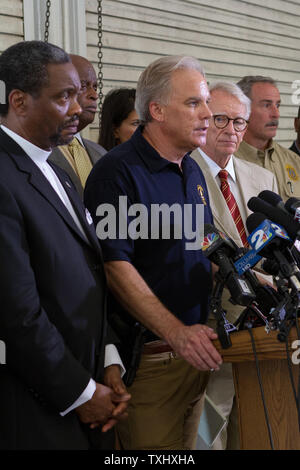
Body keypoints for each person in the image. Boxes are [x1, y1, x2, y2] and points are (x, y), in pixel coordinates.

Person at [84, 55, 223, 450]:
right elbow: (114, 266)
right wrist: (175, 332)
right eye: (194, 103)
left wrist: (249, 273)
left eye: (207, 102)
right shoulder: (117, 173)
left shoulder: (191, 168)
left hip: (196, 354)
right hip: (152, 360)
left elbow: (204, 241)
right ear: (157, 110)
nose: (208, 114)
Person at [0, 40, 130, 450]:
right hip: (37, 407)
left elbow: (89, 271)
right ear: (18, 100)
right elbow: (18, 314)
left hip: (92, 384)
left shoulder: (57, 164)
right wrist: (81, 392)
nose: (79, 108)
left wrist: (108, 358)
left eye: (79, 93)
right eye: (64, 97)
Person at [191, 81, 278, 450]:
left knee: (260, 423)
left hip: (262, 324)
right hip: (212, 323)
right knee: (209, 426)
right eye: (221, 119)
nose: (231, 131)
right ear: (204, 120)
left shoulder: (263, 178)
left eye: (239, 122)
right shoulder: (184, 173)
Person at [49, 54, 106, 199]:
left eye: (95, 87)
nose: (94, 95)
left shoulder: (101, 153)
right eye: (83, 86)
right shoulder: (38, 152)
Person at [235, 76, 300, 201]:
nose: (276, 114)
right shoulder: (223, 162)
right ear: (242, 109)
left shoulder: (295, 162)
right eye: (266, 105)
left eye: (277, 105)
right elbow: (193, 216)